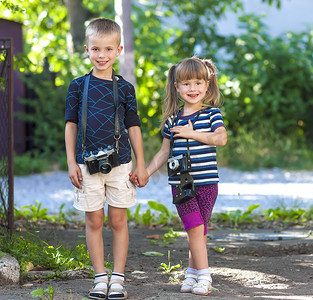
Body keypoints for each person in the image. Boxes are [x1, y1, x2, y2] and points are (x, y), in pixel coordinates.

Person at [64, 18, 148, 300]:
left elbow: (133, 125)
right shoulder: (77, 86)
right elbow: (71, 125)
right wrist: (70, 162)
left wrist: (141, 163)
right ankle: (100, 277)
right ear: (86, 49)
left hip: (121, 162)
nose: (102, 55)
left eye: (108, 49)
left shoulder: (125, 88)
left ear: (119, 49)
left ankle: (119, 278)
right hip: (86, 163)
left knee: (118, 220)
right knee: (94, 221)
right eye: (96, 49)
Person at [146, 56, 227, 296]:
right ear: (177, 87)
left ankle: (193, 275)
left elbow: (220, 139)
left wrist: (192, 134)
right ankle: (204, 276)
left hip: (207, 183)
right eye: (187, 84)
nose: (193, 89)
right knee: (193, 227)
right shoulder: (172, 120)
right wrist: (147, 173)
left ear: (207, 85)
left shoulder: (212, 114)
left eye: (198, 83)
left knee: (198, 230)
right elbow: (163, 152)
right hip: (181, 183)